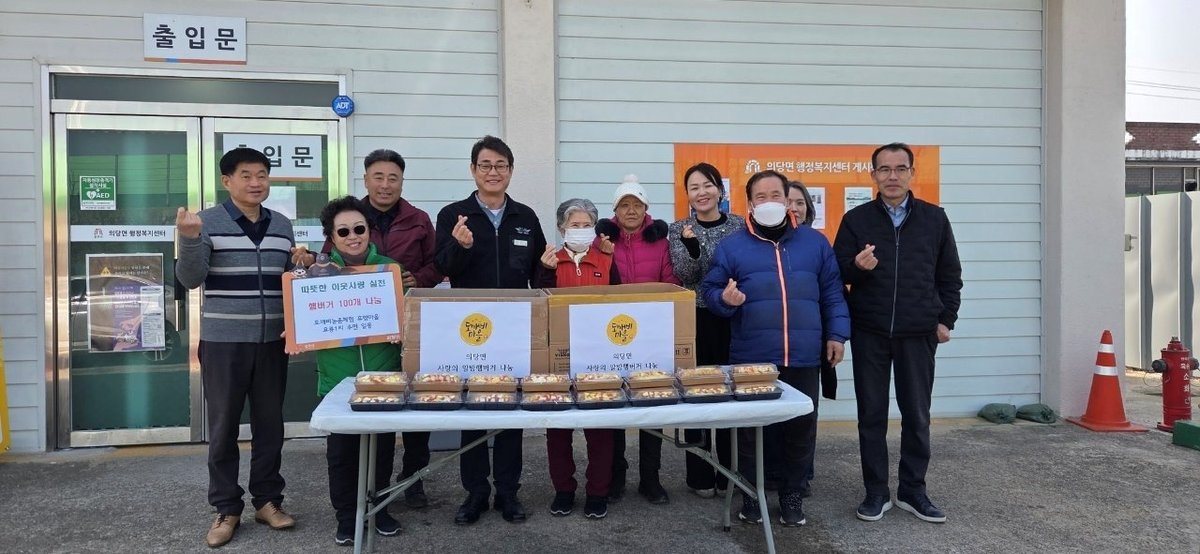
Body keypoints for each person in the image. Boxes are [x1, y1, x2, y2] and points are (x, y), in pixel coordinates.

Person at [701, 169, 850, 528]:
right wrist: (725, 299)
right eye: (761, 196)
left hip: (803, 353)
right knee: (751, 431)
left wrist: (837, 335)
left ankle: (792, 494)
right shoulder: (733, 246)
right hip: (752, 355)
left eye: (776, 195)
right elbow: (710, 290)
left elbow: (832, 293)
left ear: (788, 200)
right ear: (750, 204)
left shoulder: (814, 243)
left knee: (801, 429)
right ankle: (751, 494)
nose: (769, 202)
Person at [176, 147, 307, 548]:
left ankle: (267, 501)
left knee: (270, 426)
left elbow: (290, 281)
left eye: (262, 175)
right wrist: (189, 239)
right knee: (223, 429)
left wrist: (301, 265)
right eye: (246, 175)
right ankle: (226, 508)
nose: (256, 183)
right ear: (227, 181)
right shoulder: (205, 222)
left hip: (271, 343)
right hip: (224, 343)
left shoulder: (281, 224)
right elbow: (190, 278)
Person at [832, 142, 962, 524]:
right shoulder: (856, 220)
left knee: (917, 416)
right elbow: (837, 273)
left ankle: (913, 491)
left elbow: (950, 276)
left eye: (900, 168)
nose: (892, 176)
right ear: (872, 174)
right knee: (871, 415)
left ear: (911, 173)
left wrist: (946, 320)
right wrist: (857, 267)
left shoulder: (935, 219)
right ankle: (876, 492)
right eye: (884, 169)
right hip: (870, 331)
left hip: (918, 333)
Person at [434, 135, 554, 525]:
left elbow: (537, 275)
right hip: (470, 328)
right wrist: (460, 246)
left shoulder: (526, 217)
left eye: (501, 165)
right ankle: (475, 493)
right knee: (473, 411)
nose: (493, 172)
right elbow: (442, 267)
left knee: (510, 411)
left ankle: (507, 493)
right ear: (473, 170)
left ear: (511, 171)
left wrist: (547, 267)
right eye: (485, 165)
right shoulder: (454, 216)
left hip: (514, 328)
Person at [323, 148, 437, 509]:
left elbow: (436, 264)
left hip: (400, 334)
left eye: (393, 178)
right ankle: (351, 512)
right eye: (378, 176)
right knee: (350, 439)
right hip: (349, 349)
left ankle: (407, 485)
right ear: (366, 179)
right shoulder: (345, 219)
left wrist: (419, 277)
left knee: (406, 421)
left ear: (401, 181)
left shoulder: (419, 220)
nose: (385, 184)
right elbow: (323, 274)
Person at [313, 196, 405, 546]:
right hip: (338, 379)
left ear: (369, 231)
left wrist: (402, 328)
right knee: (342, 455)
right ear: (331, 237)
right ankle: (346, 517)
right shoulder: (316, 275)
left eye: (359, 229)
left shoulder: (390, 269)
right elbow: (306, 320)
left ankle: (380, 509)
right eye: (344, 231)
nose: (353, 236)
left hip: (384, 377)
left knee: (382, 451)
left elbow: (407, 318)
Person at [595, 174, 682, 505]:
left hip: (651, 335)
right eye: (624, 205)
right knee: (615, 405)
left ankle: (651, 478)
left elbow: (671, 283)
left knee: (652, 403)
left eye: (637, 204)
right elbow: (596, 284)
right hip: (613, 334)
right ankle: (616, 475)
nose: (630, 211)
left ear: (646, 208)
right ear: (615, 210)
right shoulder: (602, 242)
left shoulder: (660, 242)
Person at [666, 163, 745, 498]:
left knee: (729, 392)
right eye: (694, 187)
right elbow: (686, 274)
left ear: (720, 191)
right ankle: (699, 474)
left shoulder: (740, 225)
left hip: (731, 318)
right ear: (687, 195)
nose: (702, 193)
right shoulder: (679, 229)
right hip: (695, 318)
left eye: (708, 185)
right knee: (696, 393)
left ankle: (729, 472)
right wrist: (693, 247)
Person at [544, 198, 621, 520]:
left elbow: (619, 300)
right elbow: (539, 304)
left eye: (586, 225)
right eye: (574, 225)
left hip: (598, 355)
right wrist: (544, 271)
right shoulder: (549, 260)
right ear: (561, 229)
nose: (580, 230)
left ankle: (598, 492)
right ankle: (563, 490)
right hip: (557, 356)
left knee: (600, 429)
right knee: (558, 428)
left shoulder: (606, 258)